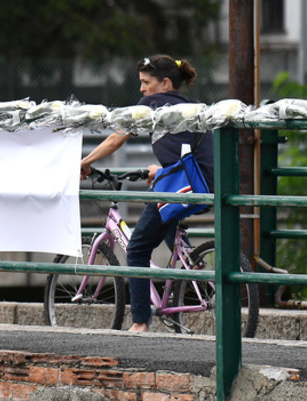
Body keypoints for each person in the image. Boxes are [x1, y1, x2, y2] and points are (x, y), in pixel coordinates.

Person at [79, 54, 214, 332]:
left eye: (145, 82)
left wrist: (86, 162)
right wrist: (161, 170)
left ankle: (140, 321)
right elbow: (185, 149)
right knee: (160, 204)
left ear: (164, 83)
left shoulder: (152, 103)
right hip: (206, 183)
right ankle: (189, 260)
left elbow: (117, 138)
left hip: (185, 186)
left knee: (138, 249)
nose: (141, 89)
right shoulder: (189, 105)